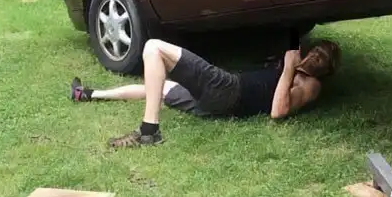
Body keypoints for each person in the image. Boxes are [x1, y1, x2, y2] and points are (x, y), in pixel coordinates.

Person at [71, 37, 342, 148]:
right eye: (316, 52)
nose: (315, 58)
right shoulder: (291, 69)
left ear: (326, 71)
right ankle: (89, 94)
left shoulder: (310, 85)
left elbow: (278, 111)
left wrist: (289, 68)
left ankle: (149, 131)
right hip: (217, 103)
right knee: (158, 88)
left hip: (229, 90)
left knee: (153, 47)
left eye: (323, 60)